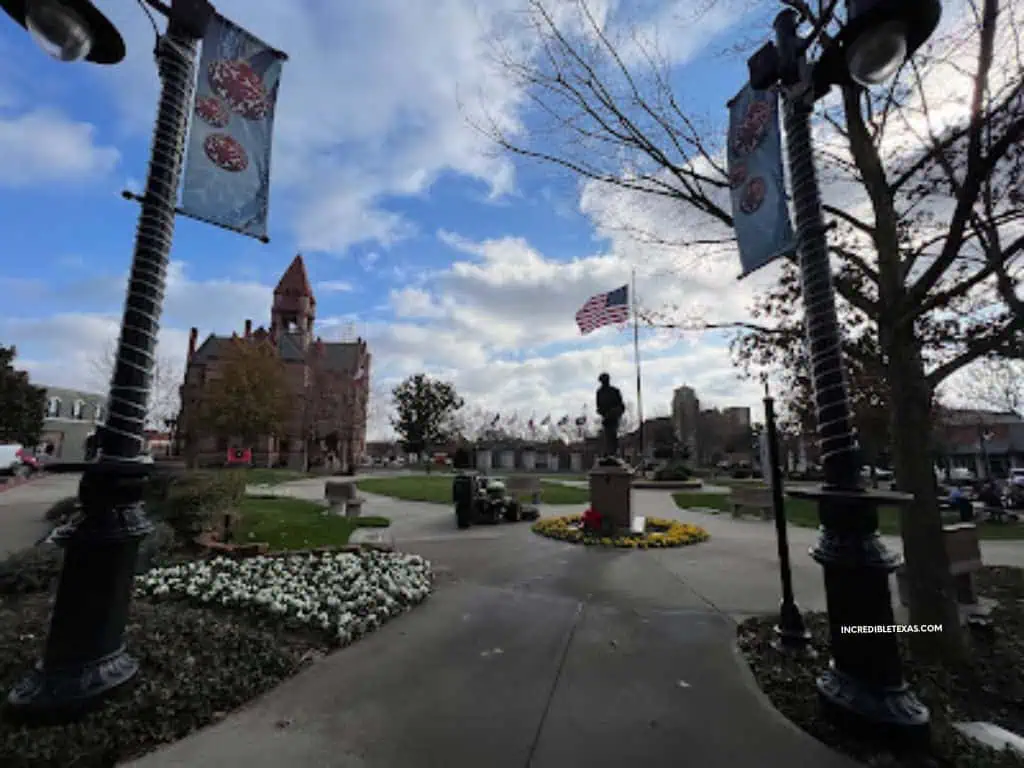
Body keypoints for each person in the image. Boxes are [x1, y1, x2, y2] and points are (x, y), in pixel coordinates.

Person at [595, 372, 625, 458]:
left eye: (605, 380)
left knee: (613, 434)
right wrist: (603, 412)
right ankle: (608, 453)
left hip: (614, 417)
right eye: (602, 381)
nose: (604, 382)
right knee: (607, 435)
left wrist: (615, 412)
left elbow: (621, 406)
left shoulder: (615, 391)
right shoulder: (599, 392)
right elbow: (598, 406)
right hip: (605, 418)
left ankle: (613, 452)